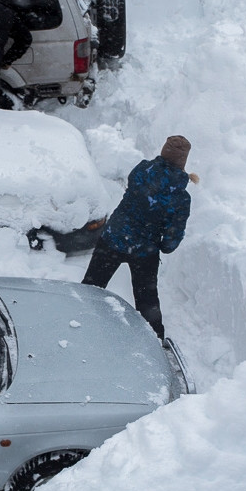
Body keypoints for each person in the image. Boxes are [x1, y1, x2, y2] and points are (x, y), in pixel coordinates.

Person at [82, 135, 198, 340]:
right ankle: (155, 343)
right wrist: (163, 245)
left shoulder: (141, 170)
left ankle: (75, 319)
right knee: (147, 302)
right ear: (183, 161)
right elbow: (173, 237)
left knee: (91, 286)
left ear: (163, 152)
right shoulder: (180, 197)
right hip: (144, 252)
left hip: (113, 238)